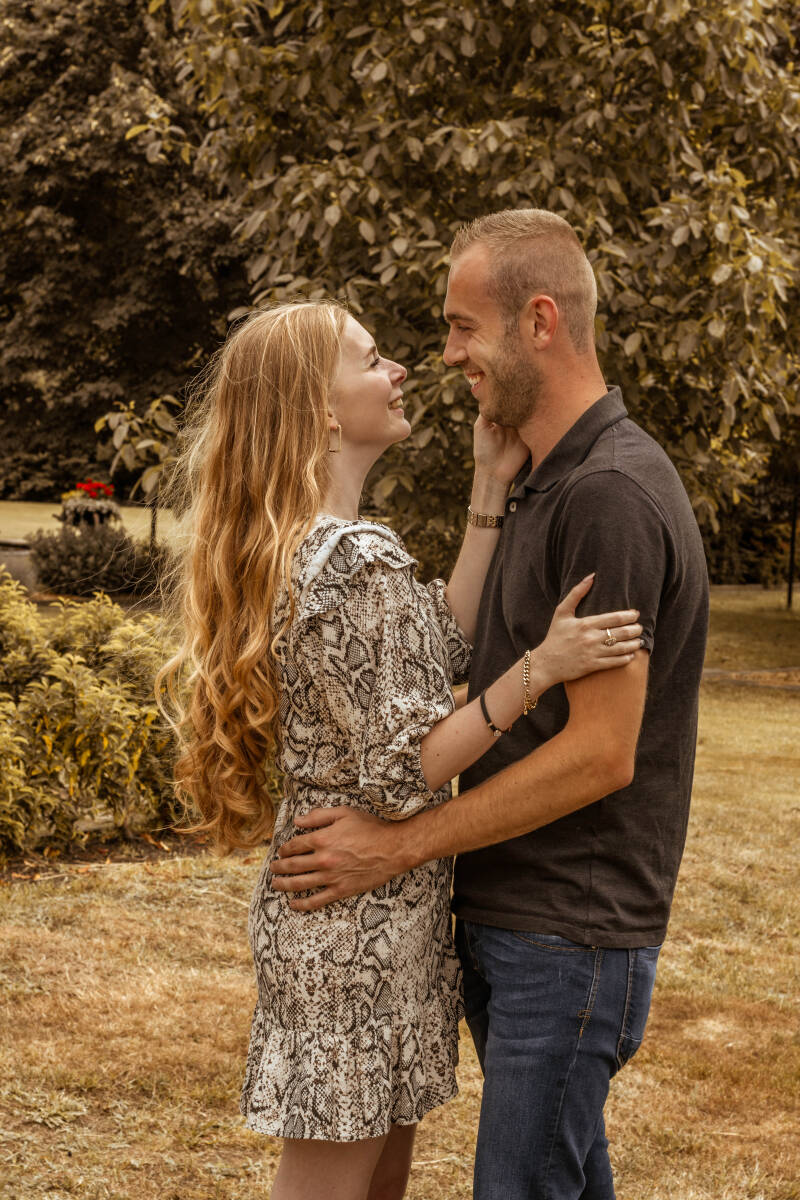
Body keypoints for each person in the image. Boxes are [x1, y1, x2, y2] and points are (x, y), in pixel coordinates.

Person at [158, 298, 643, 1200]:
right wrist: (539, 669)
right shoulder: (354, 561)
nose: (401, 370)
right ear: (321, 410)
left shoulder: (326, 547)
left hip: (371, 916)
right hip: (353, 923)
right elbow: (402, 764)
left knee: (375, 1182)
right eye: (373, 358)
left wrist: (488, 492)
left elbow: (438, 651)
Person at [271, 210, 710, 1200]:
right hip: (514, 918)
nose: (445, 354)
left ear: (539, 322)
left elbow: (600, 753)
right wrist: (486, 494)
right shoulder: (542, 483)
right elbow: (448, 669)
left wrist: (397, 846)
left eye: (462, 327)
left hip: (570, 931)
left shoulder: (609, 494)